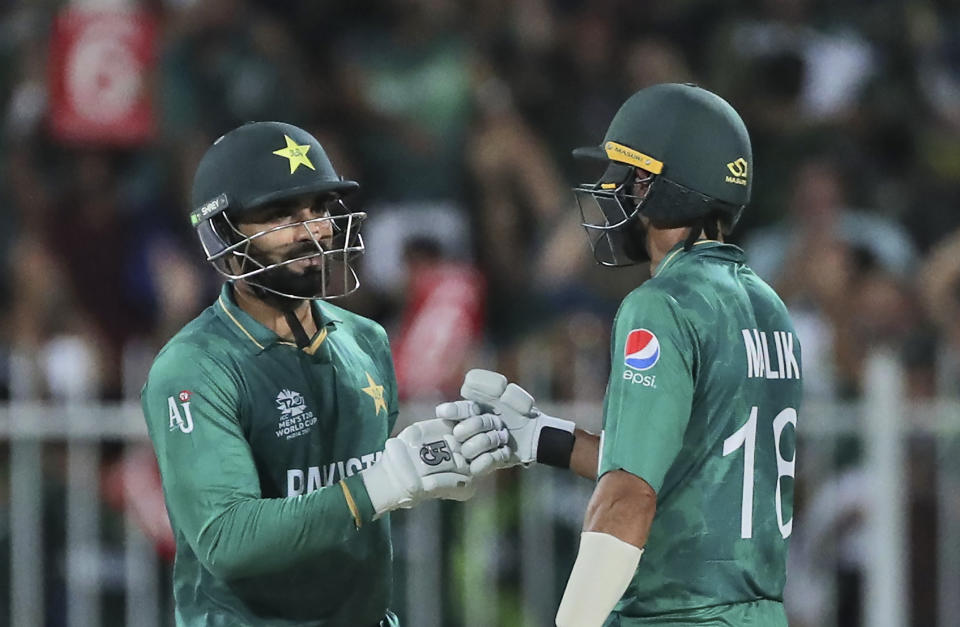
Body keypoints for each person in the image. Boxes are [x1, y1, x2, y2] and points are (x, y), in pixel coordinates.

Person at [439, 83, 803, 626]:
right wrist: (543, 438)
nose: (620, 196)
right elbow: (690, 467)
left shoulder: (662, 304)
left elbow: (629, 494)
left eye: (634, 179)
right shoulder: (768, 305)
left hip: (673, 613)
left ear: (670, 187)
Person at [140, 121, 508, 626]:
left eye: (318, 209)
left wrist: (445, 456)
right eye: (281, 215)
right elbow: (227, 539)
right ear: (223, 233)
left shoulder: (366, 340)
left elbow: (355, 488)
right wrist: (387, 480)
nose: (313, 230)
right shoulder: (195, 366)